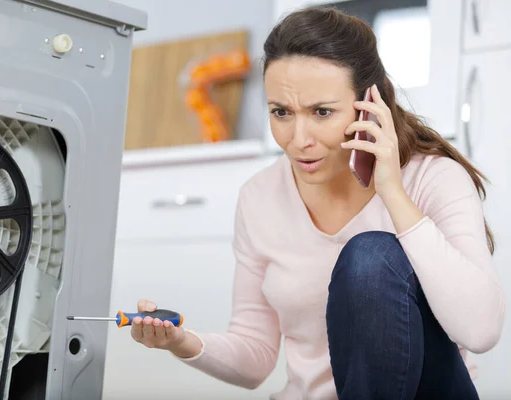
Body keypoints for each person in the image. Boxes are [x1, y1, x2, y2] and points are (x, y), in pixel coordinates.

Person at [129, 6, 505, 400]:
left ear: (368, 105)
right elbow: (256, 354)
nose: (298, 138)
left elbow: (480, 331)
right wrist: (180, 341)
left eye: (322, 112)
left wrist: (392, 191)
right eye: (281, 113)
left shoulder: (432, 177)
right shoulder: (259, 197)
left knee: (371, 255)